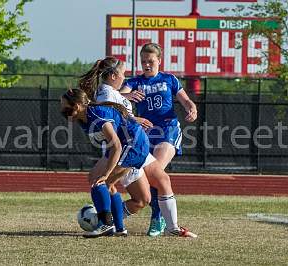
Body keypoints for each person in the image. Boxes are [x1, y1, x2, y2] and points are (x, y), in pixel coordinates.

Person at [60, 88, 197, 238]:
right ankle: (119, 228)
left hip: (133, 145)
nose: (63, 111)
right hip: (132, 143)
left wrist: (106, 173)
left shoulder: (96, 114)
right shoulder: (84, 117)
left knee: (100, 183)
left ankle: (105, 224)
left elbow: (117, 146)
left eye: (66, 107)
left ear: (78, 105)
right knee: (109, 186)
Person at [121, 42, 198, 237]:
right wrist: (127, 96)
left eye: (151, 61)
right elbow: (117, 96)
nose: (147, 65)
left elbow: (184, 98)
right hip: (144, 133)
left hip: (167, 130)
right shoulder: (136, 82)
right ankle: (145, 214)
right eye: (143, 61)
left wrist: (191, 107)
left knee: (156, 171)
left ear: (159, 61)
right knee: (150, 176)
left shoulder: (169, 79)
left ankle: (158, 218)